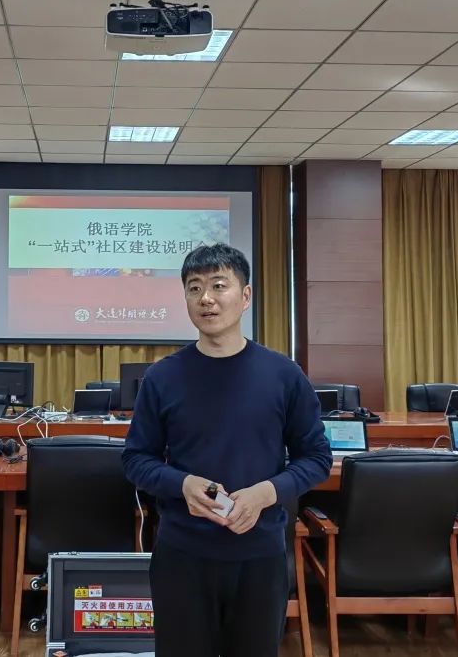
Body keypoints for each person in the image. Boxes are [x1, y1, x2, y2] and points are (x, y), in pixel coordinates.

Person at [122, 243, 332, 657]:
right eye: (194, 288)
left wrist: (266, 493)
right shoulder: (162, 377)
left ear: (245, 295)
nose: (206, 298)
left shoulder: (284, 375)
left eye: (219, 285)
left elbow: (317, 458)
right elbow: (136, 459)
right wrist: (182, 484)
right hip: (182, 555)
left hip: (260, 556)